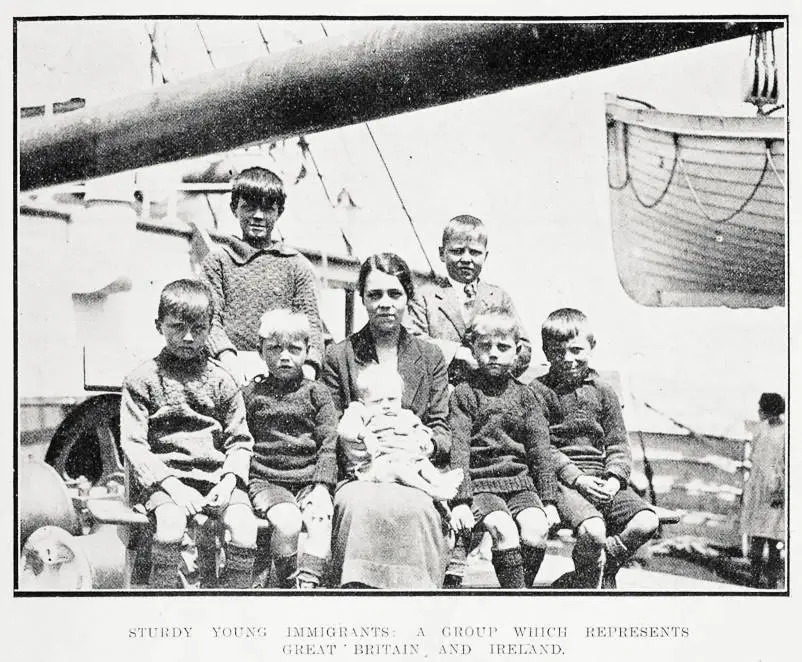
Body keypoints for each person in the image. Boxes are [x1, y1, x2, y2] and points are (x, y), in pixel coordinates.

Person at [321, 253, 452, 589]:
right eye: (374, 295)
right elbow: (329, 424)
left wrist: (425, 442)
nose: (385, 304)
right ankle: (356, 593)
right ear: (362, 298)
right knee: (357, 506)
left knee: (420, 509)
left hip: (413, 469)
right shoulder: (340, 355)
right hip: (362, 471)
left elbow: (441, 425)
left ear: (408, 297)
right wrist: (355, 446)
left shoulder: (431, 356)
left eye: (395, 294)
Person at [120, 279, 256, 589]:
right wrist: (173, 487)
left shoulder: (222, 381)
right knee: (170, 523)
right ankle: (164, 602)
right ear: (159, 326)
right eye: (177, 327)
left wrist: (230, 480)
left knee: (245, 527)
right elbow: (136, 446)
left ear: (210, 328)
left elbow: (239, 440)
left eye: (198, 328)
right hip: (165, 480)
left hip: (216, 479)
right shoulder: (142, 381)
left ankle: (231, 602)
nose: (188, 337)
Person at [537, 308, 659, 589]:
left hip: (603, 479)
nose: (568, 359)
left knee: (646, 521)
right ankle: (588, 576)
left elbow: (618, 443)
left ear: (592, 346)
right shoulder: (539, 391)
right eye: (557, 352)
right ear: (545, 352)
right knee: (593, 531)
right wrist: (577, 479)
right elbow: (542, 447)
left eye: (576, 350)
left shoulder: (604, 392)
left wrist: (615, 479)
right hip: (563, 481)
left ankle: (598, 568)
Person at [449, 308, 558, 589]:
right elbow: (459, 448)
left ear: (517, 350)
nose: (494, 353)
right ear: (473, 348)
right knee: (503, 529)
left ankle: (518, 590)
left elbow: (540, 450)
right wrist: (461, 500)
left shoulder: (526, 395)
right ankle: (516, 599)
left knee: (537, 529)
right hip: (482, 486)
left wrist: (548, 501)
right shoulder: (464, 393)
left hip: (521, 485)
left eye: (503, 347)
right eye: (485, 346)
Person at [201, 166, 324, 384]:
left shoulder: (296, 265)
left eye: (267, 209)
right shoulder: (218, 261)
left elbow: (311, 325)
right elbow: (209, 320)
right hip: (229, 369)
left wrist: (309, 368)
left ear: (279, 212)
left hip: (284, 371)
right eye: (249, 207)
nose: (258, 216)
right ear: (234, 209)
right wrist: (228, 359)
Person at [243, 310, 338, 589]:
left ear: (307, 351)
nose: (285, 356)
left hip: (308, 481)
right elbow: (239, 437)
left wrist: (322, 486)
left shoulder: (317, 393)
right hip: (267, 480)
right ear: (260, 351)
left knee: (321, 517)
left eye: (294, 349)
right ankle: (287, 585)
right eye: (274, 348)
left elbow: (328, 442)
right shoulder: (252, 395)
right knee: (288, 522)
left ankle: (307, 585)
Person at [406, 214, 532, 383]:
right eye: (457, 251)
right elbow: (411, 342)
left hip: (490, 392)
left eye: (474, 252)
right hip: (441, 391)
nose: (466, 259)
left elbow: (523, 348)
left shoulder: (499, 297)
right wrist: (456, 352)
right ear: (442, 253)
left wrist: (495, 372)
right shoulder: (424, 296)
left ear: (485, 256)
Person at [337, 363, 463, 500]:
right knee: (397, 469)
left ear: (400, 397)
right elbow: (345, 428)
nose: (386, 406)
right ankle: (431, 491)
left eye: (392, 399)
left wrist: (423, 437)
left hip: (407, 459)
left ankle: (437, 481)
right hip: (375, 468)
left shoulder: (405, 415)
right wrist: (364, 435)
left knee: (423, 462)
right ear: (363, 401)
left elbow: (421, 428)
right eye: (377, 401)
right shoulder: (360, 410)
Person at [740, 392, 786, 589]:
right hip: (758, 488)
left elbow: (786, 463)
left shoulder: (786, 432)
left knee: (775, 537)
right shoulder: (760, 429)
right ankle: (754, 577)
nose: (759, 411)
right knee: (757, 535)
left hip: (775, 489)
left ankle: (773, 580)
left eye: (763, 407)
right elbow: (755, 460)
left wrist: (781, 490)